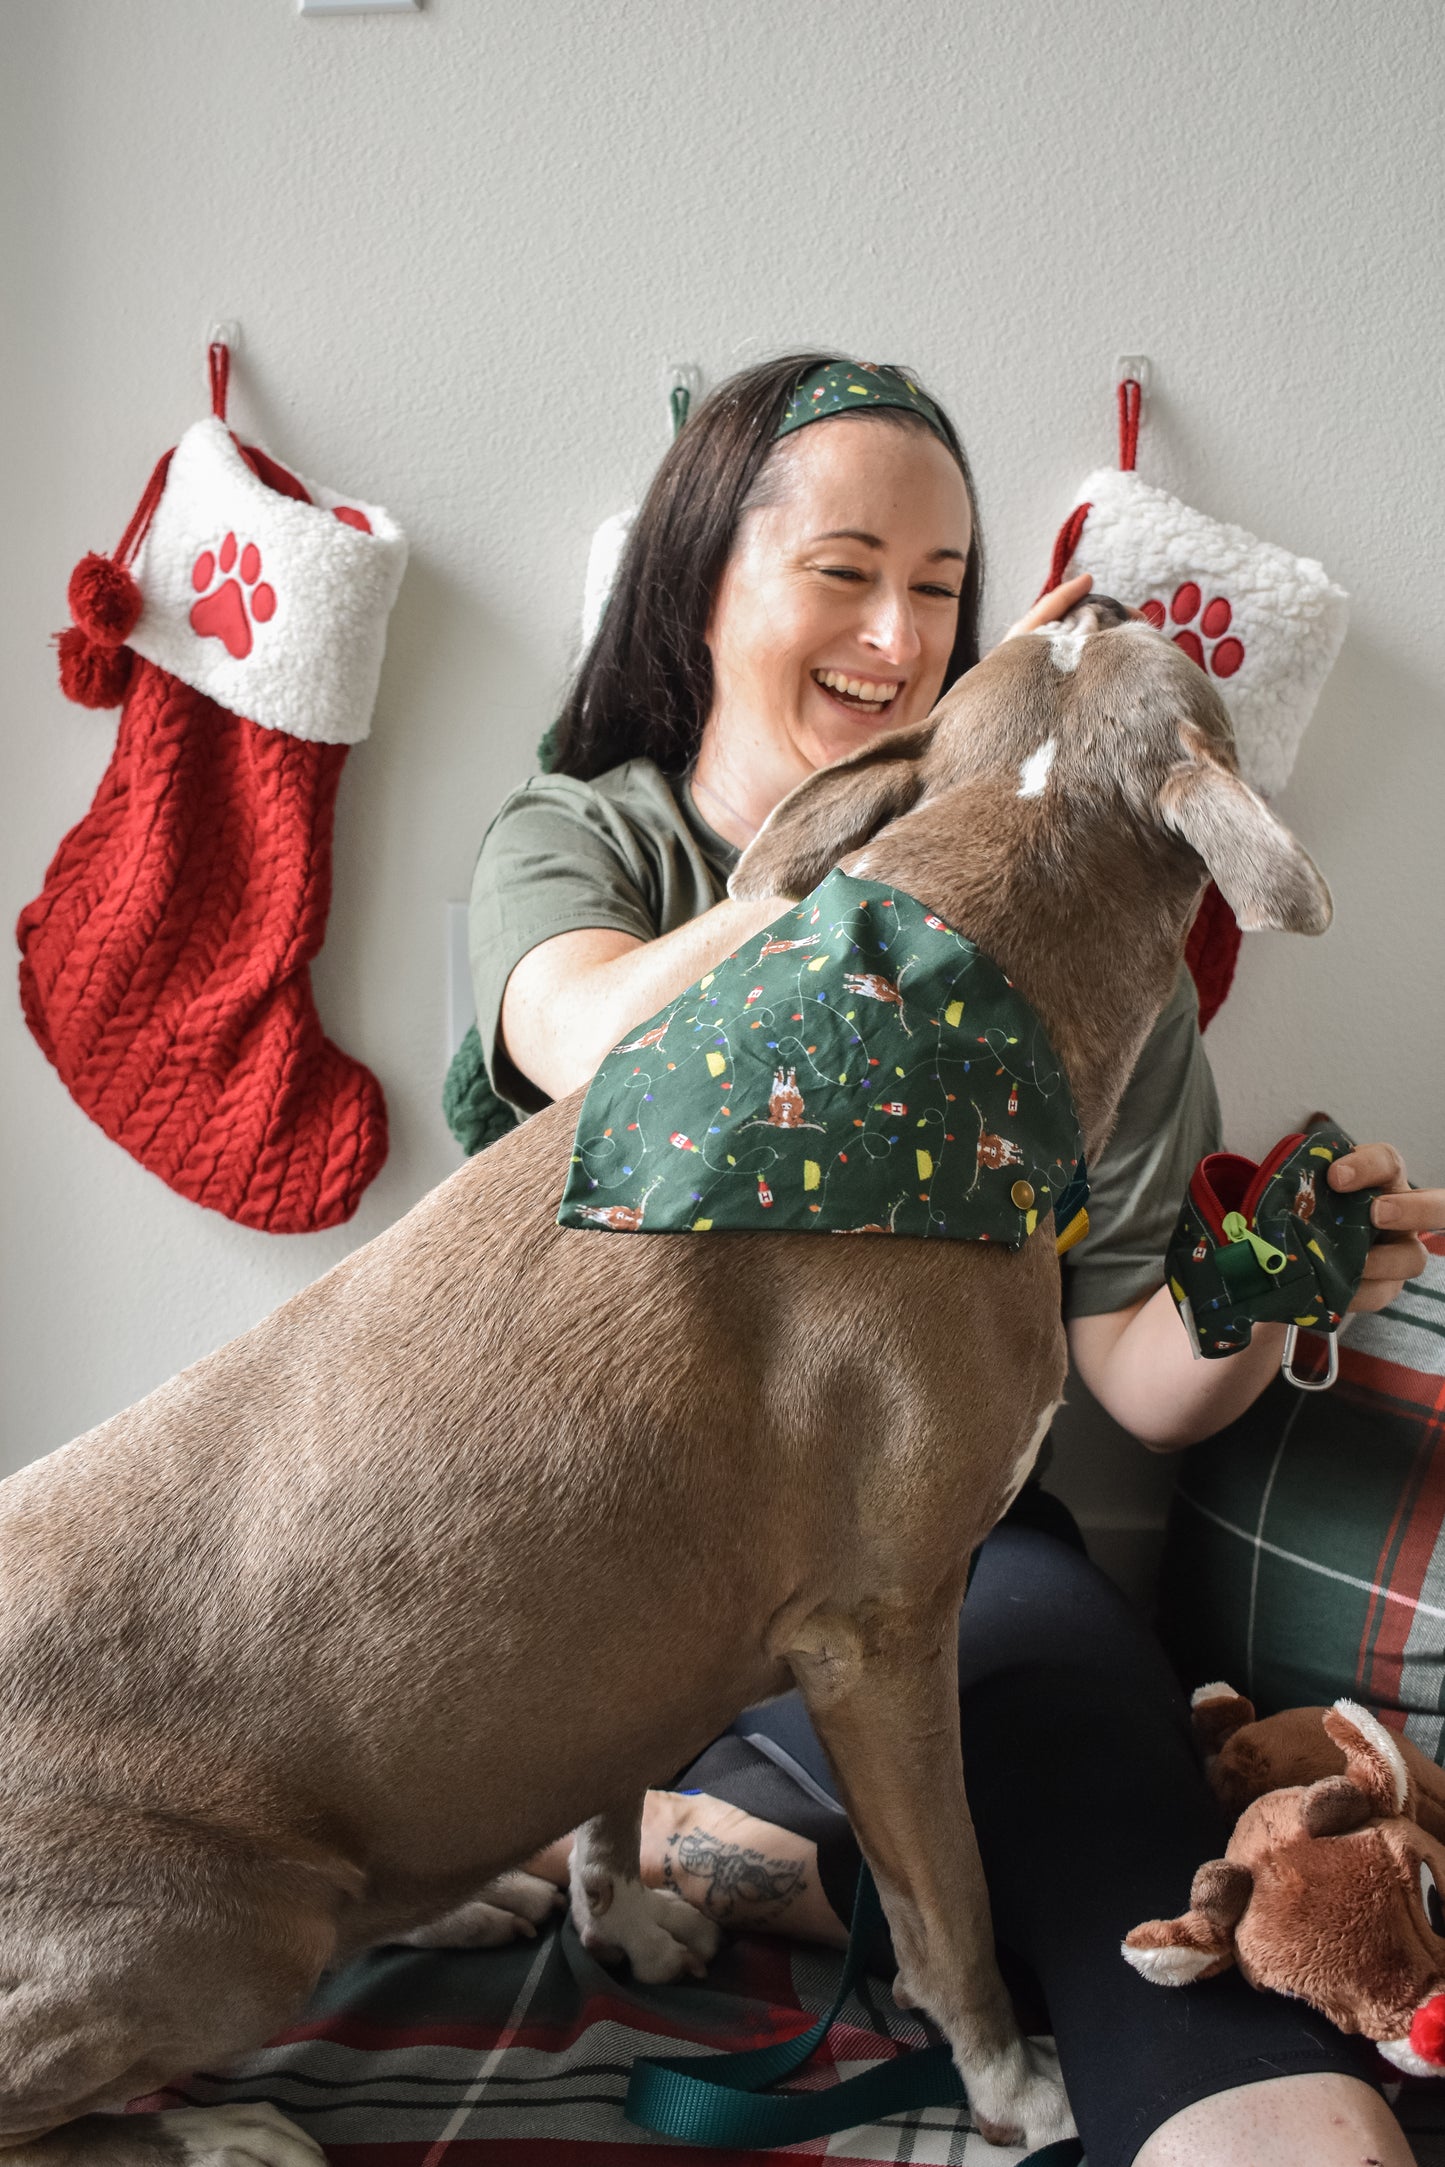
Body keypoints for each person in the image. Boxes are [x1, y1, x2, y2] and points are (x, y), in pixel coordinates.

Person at [466, 354, 1442, 2167]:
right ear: (698, 580)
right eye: (843, 569)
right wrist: (889, 846)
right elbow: (587, 1037)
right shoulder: (586, 838)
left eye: (938, 588)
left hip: (948, 1547)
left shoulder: (1091, 958)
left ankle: (1238, 2111)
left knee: (1097, 1783)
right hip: (601, 1544)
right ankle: (749, 1832)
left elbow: (1134, 1384)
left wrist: (1257, 1288)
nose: (896, 632)